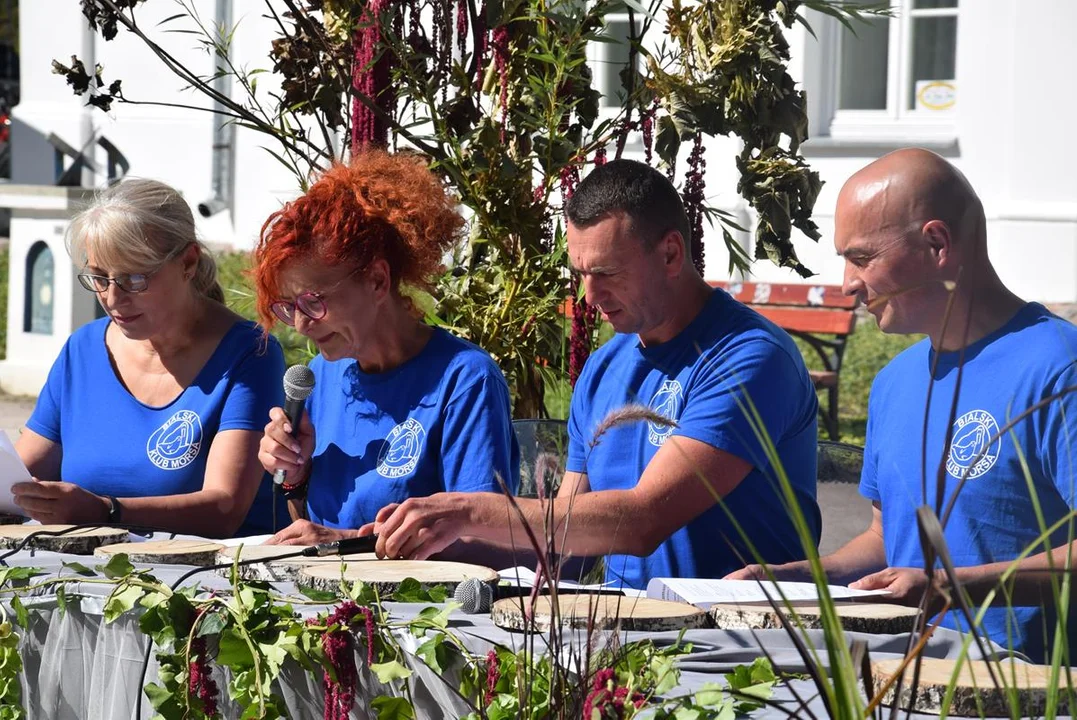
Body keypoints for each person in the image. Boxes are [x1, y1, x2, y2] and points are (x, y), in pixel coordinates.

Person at [366, 158, 822, 590]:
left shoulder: (749, 357)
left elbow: (644, 521)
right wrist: (392, 543)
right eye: (580, 273)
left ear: (670, 254)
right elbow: (564, 546)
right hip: (629, 640)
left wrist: (468, 510)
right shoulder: (605, 365)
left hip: (738, 647)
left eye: (606, 272)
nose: (589, 297)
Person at [729, 148, 1077, 663]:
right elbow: (886, 541)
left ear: (936, 243)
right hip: (900, 682)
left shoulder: (1059, 367)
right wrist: (797, 576)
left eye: (861, 257)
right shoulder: (895, 381)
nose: (847, 281)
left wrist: (949, 587)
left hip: (1022, 692)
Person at [254, 150, 520, 550]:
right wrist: (295, 475)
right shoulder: (321, 376)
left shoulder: (464, 379)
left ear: (378, 281)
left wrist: (338, 543)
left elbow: (482, 538)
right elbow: (310, 529)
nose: (302, 323)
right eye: (288, 307)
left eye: (313, 301)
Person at [14, 179, 286, 537]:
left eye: (134, 278)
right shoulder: (82, 349)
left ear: (187, 262)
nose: (112, 297)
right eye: (98, 278)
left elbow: (223, 508)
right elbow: (18, 479)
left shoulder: (250, 354)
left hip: (207, 583)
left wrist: (105, 511)